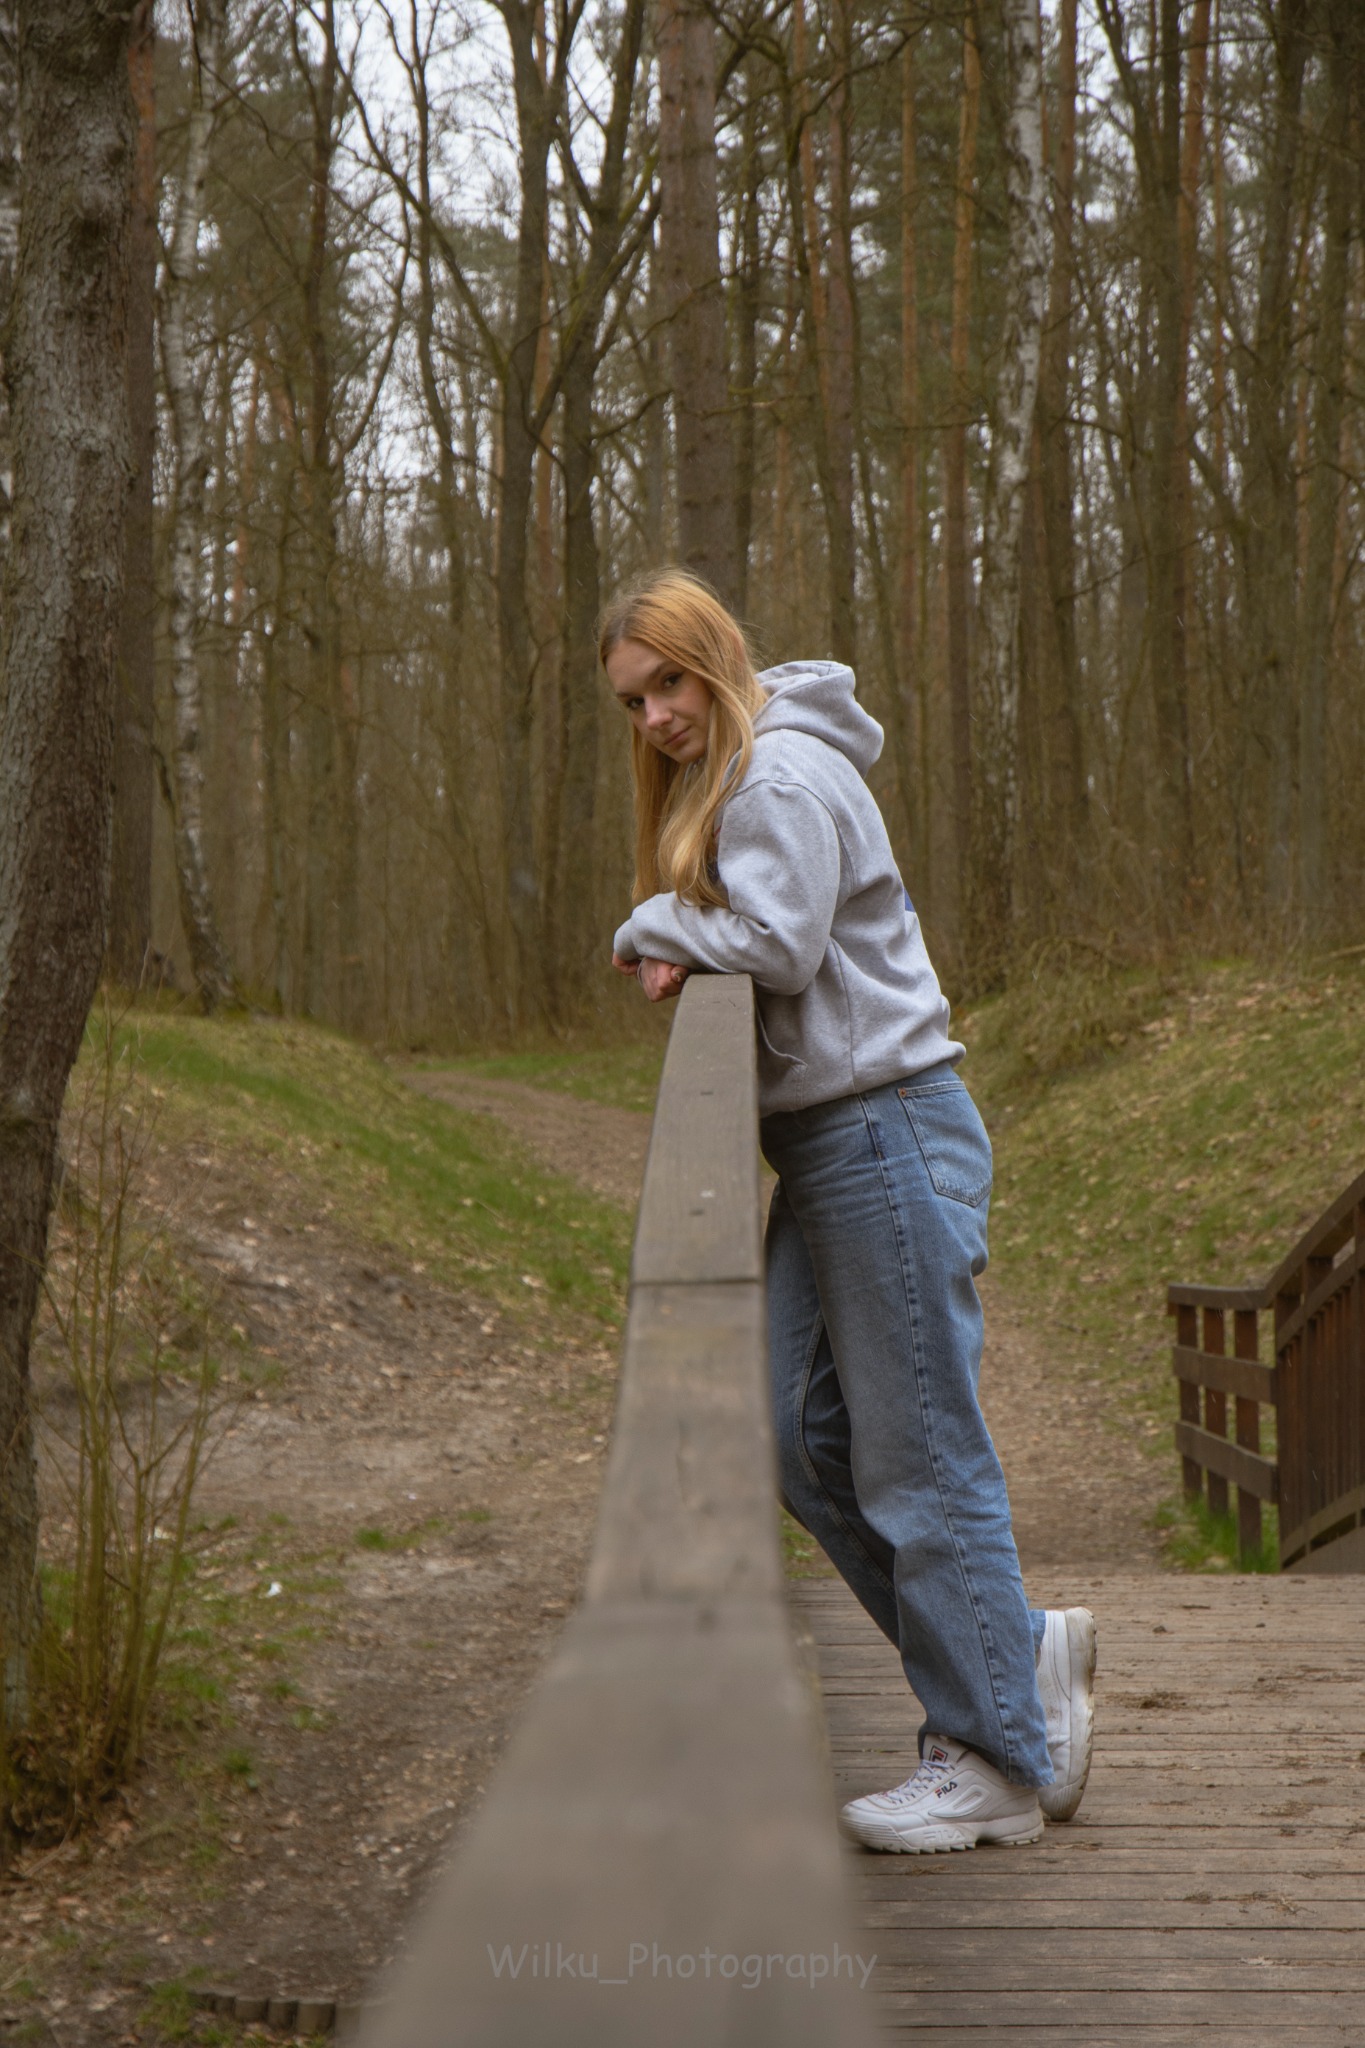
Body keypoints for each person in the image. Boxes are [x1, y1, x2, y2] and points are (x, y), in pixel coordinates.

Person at [603, 567, 1096, 1855]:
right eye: (635, 701)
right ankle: (1014, 1655)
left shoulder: (775, 779)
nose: (657, 717)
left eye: (670, 681)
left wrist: (652, 921)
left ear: (715, 657)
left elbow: (776, 942)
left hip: (879, 1131)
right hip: (835, 1146)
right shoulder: (756, 778)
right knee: (800, 1438)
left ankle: (991, 1757)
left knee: (921, 1458)